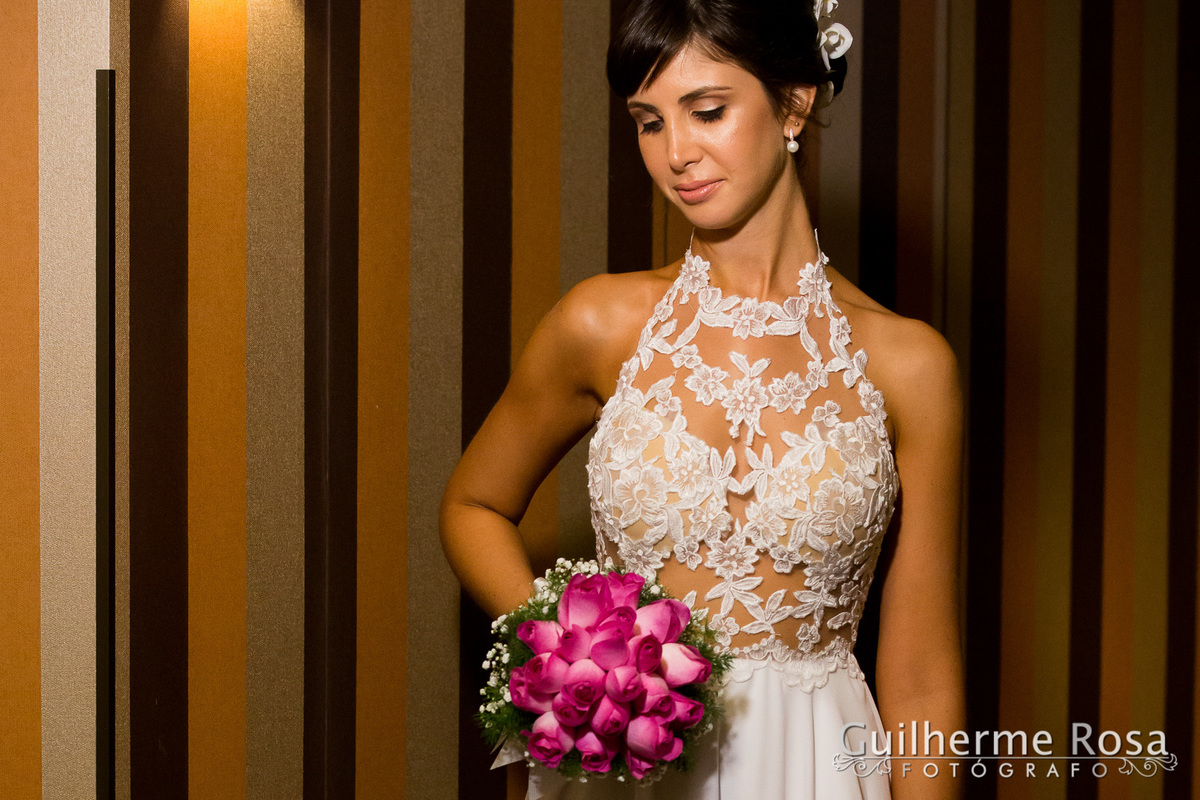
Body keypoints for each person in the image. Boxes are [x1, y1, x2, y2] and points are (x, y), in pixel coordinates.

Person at [440, 1, 966, 797]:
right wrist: (568, 653)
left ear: (795, 101)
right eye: (649, 122)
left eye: (708, 111)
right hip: (622, 766)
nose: (677, 153)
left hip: (813, 762)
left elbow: (923, 669)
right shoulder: (599, 323)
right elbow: (472, 505)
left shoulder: (910, 365)